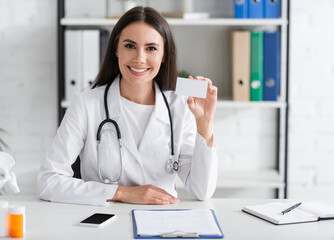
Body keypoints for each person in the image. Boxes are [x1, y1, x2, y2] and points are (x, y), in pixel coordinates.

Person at [37, 6, 218, 206]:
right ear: (116, 49)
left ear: (164, 55)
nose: (139, 58)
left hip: (163, 223)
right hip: (104, 224)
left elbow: (202, 191)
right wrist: (121, 193)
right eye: (130, 46)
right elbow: (49, 181)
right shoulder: (86, 104)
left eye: (151, 48)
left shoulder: (180, 106)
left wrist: (204, 122)